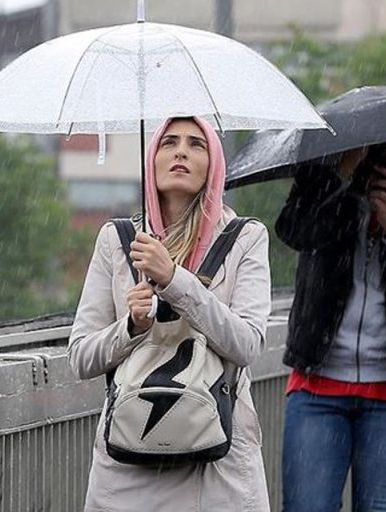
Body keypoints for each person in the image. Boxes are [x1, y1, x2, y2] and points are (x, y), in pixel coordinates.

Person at [68, 117, 272, 512]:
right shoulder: (119, 239)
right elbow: (80, 356)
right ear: (152, 158)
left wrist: (175, 280)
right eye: (169, 142)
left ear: (214, 163)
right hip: (129, 466)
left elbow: (247, 345)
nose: (181, 151)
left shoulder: (245, 237)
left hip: (217, 467)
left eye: (197, 144)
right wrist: (131, 327)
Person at [275, 138, 386, 512]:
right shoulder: (323, 183)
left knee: (383, 507)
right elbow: (294, 231)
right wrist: (340, 177)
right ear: (365, 153)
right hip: (319, 385)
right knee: (306, 505)